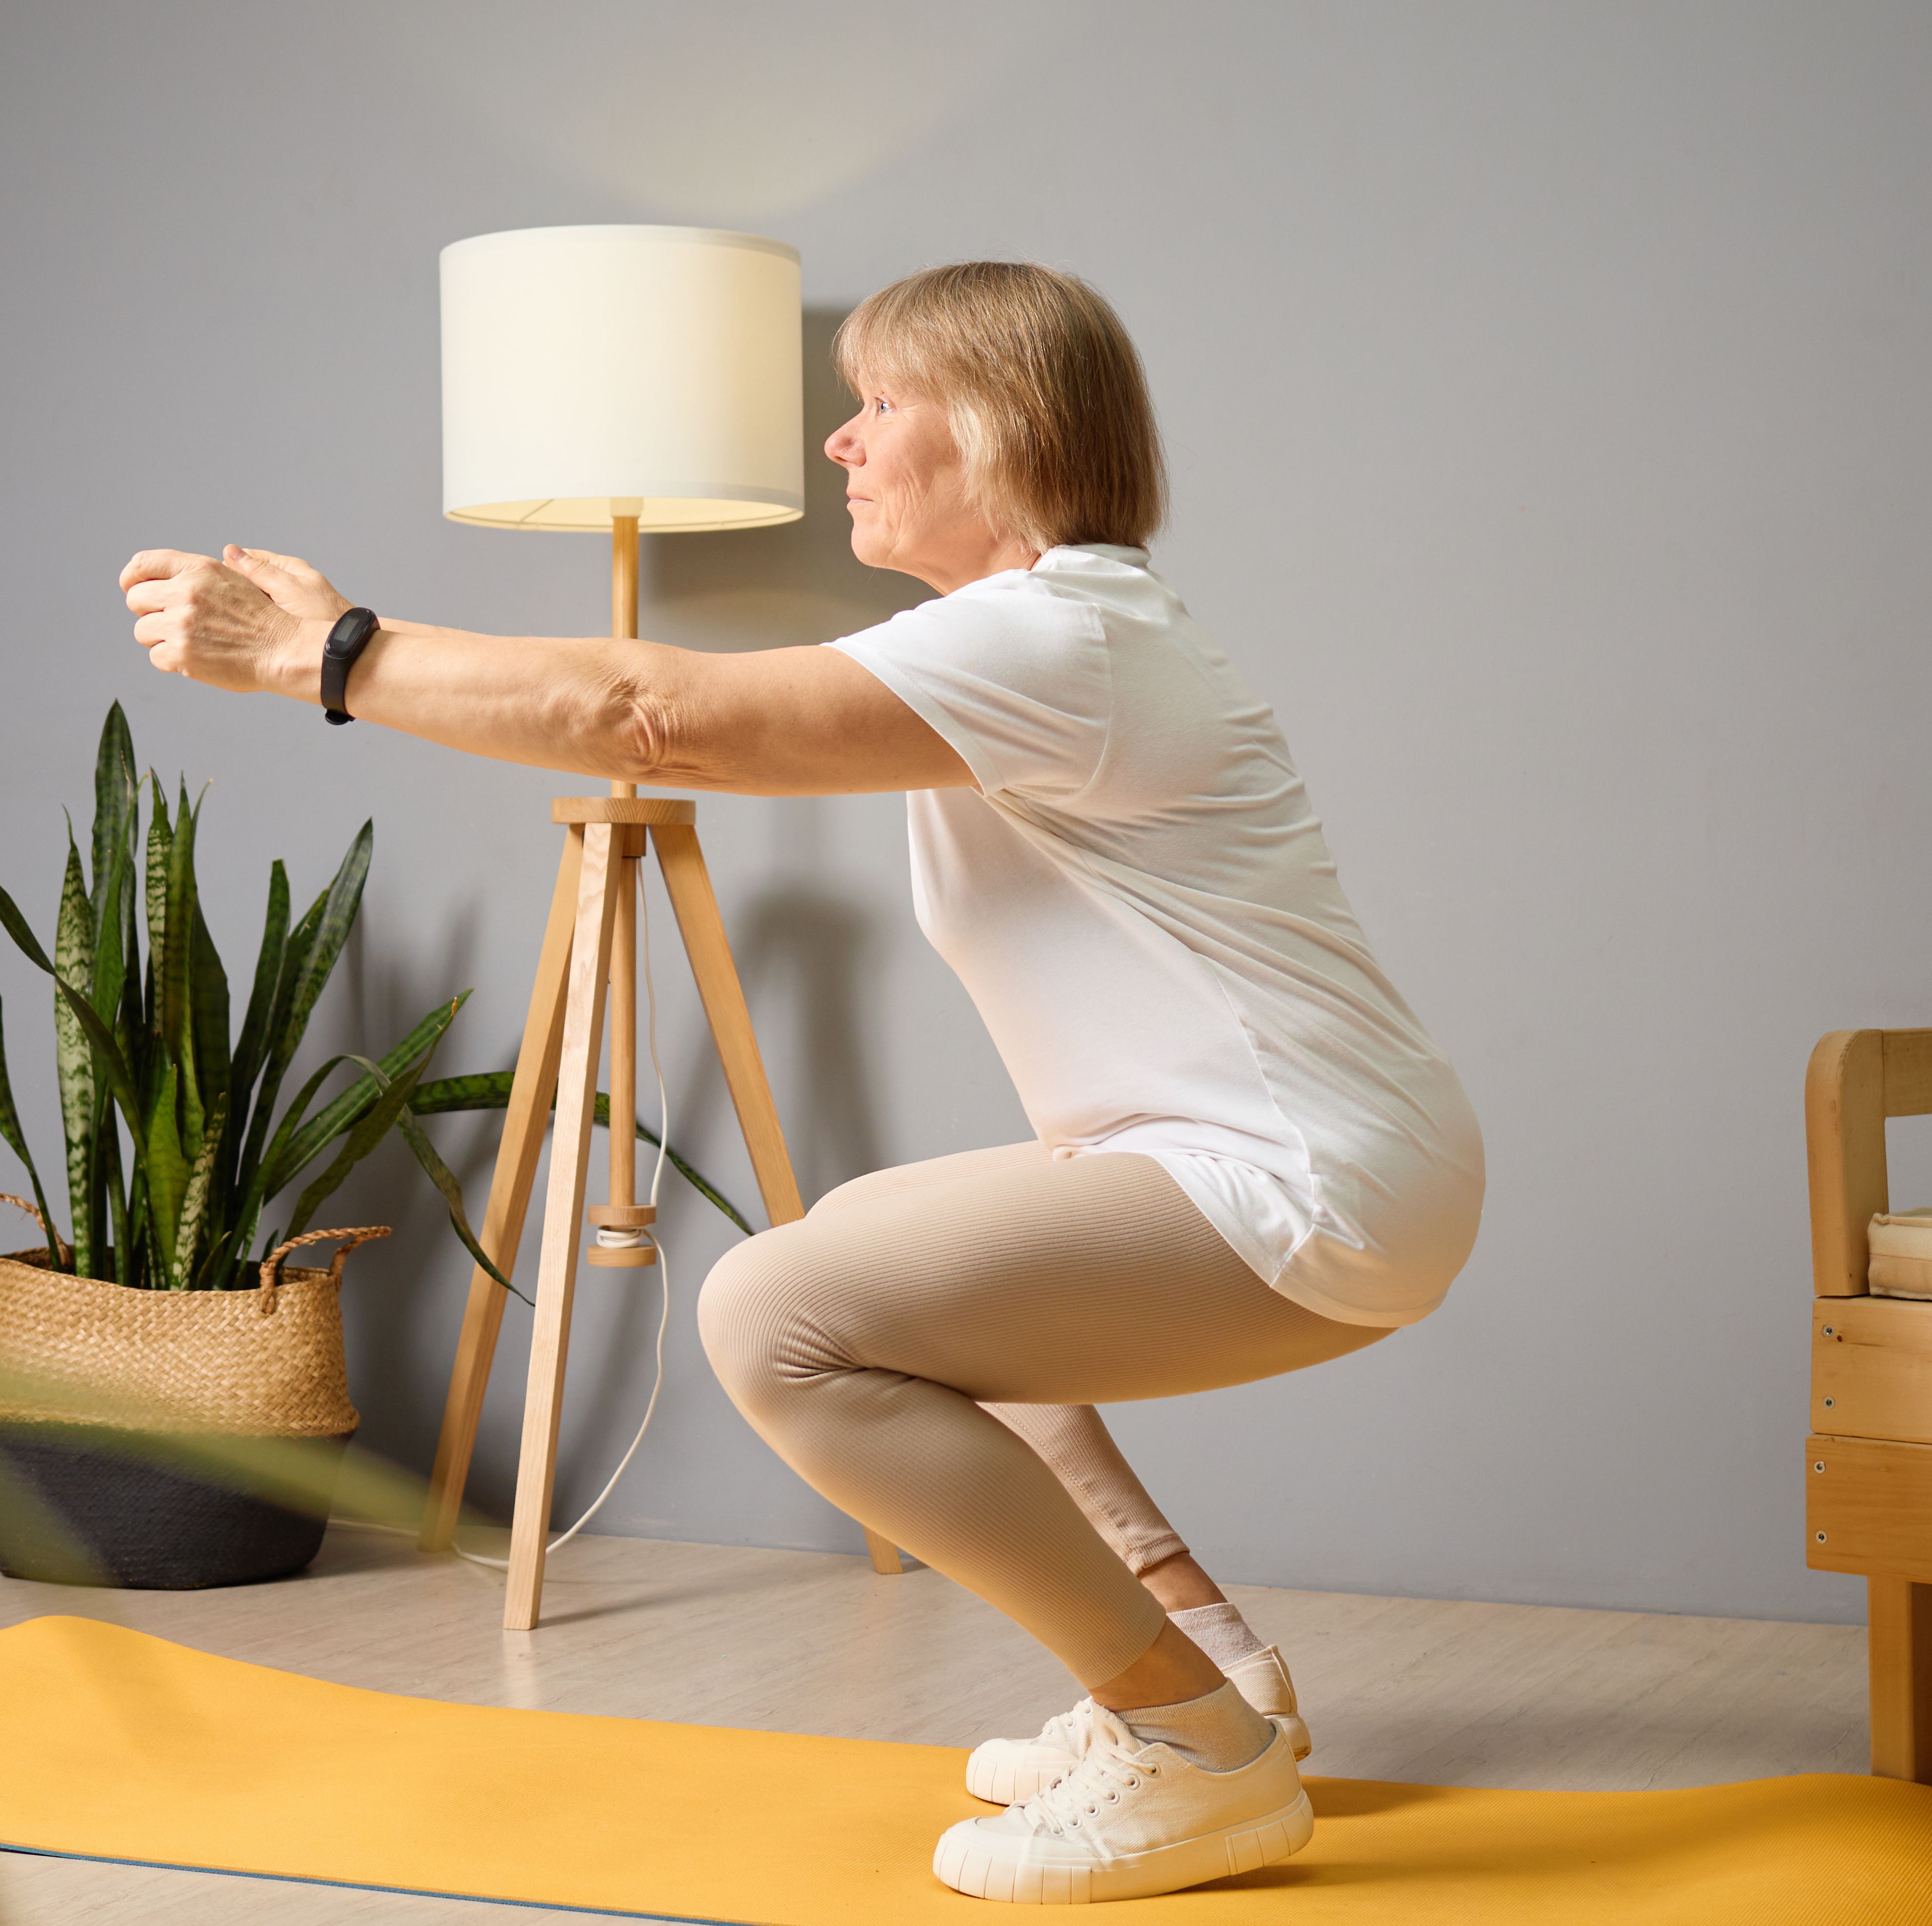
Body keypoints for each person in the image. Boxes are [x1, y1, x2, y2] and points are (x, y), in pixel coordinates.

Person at [120, 260, 1484, 1905]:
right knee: (891, 1252)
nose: (843, 444)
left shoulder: (1065, 638)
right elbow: (668, 718)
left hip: (1304, 1178)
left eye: (881, 404)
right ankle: (1204, 1660)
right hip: (1303, 1160)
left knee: (777, 1314)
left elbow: (649, 713)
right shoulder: (1033, 638)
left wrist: (328, 654)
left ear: (1003, 427)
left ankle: (1194, 1752)